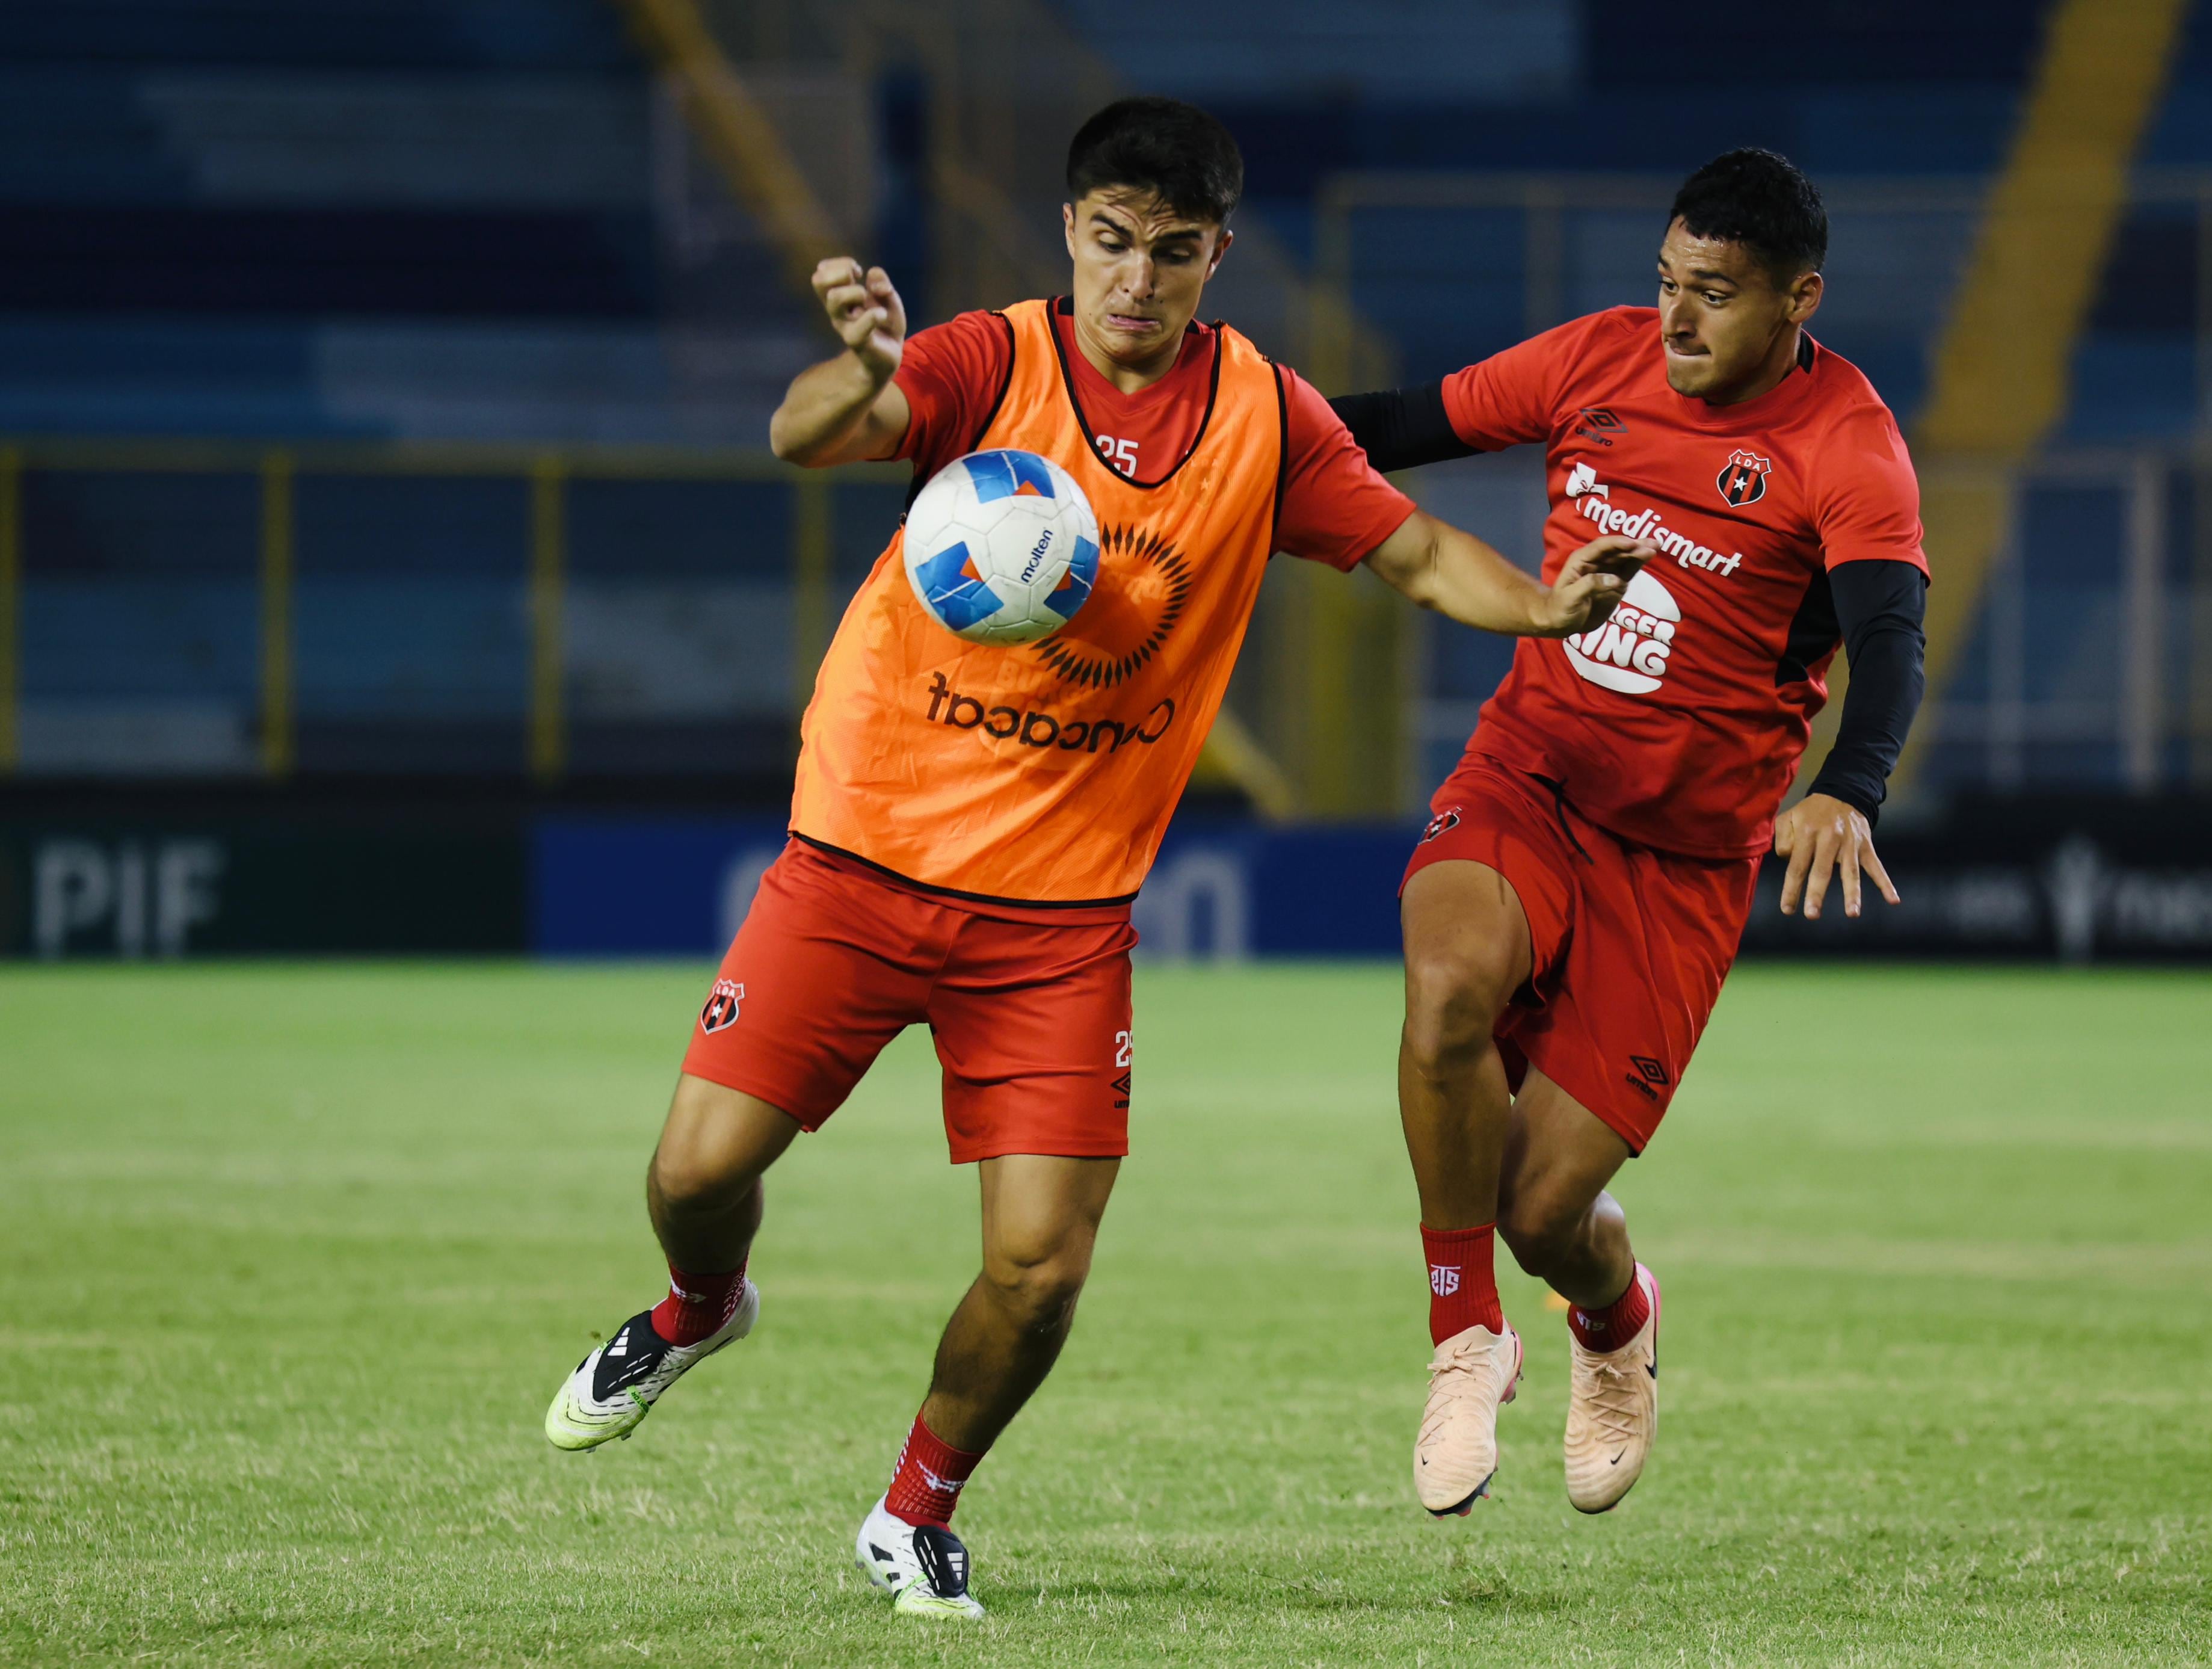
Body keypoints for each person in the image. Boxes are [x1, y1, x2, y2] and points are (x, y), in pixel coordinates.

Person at [538, 96, 1650, 1621]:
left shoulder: (1265, 417)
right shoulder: (987, 362)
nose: (1138, 279)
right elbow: (806, 434)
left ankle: (914, 1513)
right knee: (695, 1172)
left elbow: (1406, 549)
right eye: (1112, 243)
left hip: (1057, 926)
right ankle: (699, 1305)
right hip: (862, 857)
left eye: (1173, 251)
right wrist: (866, 368)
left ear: (1217, 253)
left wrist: (1540, 605)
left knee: (1041, 1269)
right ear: (1069, 233)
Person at [1330, 147, 1930, 1519]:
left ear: (1797, 301)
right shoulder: (1594, 361)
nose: (1675, 321)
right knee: (1445, 999)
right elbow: (1388, 424)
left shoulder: (1847, 443)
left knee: (1543, 1210)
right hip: (1533, 769)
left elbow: (1888, 631)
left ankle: (1614, 1323)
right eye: (1665, 285)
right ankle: (1464, 1337)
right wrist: (1216, 416)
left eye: (1712, 296)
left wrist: (1855, 781)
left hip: (1681, 863)